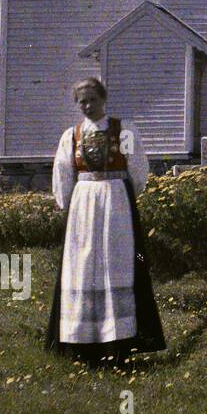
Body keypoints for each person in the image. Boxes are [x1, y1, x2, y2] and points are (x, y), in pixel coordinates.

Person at [45, 77, 165, 360]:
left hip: (116, 204)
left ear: (103, 99)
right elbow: (63, 175)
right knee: (84, 264)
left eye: (92, 100)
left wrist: (120, 194)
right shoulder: (71, 136)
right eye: (82, 101)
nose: (87, 106)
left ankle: (118, 340)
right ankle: (82, 341)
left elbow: (138, 171)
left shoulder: (123, 131)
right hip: (83, 206)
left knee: (116, 260)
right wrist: (70, 205)